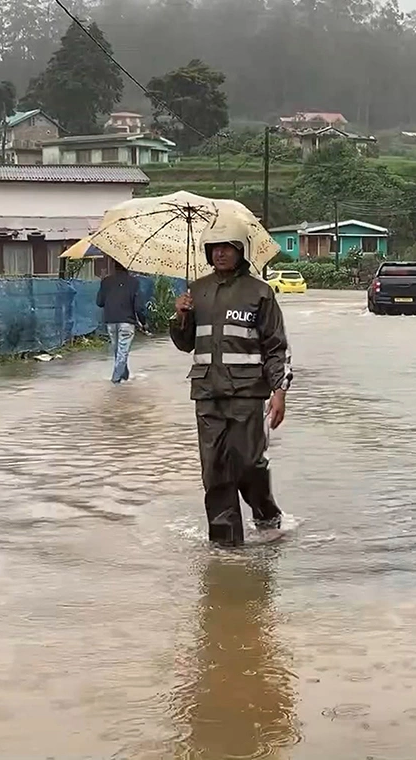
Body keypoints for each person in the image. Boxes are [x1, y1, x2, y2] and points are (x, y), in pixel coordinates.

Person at [170, 221, 292, 546]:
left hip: (247, 395)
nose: (220, 252)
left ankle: (267, 516)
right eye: (214, 248)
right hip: (207, 395)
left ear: (241, 250)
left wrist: (279, 392)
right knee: (215, 472)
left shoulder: (260, 293)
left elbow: (276, 348)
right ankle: (226, 547)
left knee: (248, 465)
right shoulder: (196, 292)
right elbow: (185, 344)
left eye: (227, 247)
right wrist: (179, 316)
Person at [96, 258, 144, 384]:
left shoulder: (106, 281)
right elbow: (138, 306)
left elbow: (99, 302)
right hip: (127, 322)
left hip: (111, 321)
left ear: (114, 265)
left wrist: (103, 285)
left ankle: (125, 375)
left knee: (118, 351)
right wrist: (143, 322)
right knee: (122, 351)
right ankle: (115, 380)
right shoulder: (134, 282)